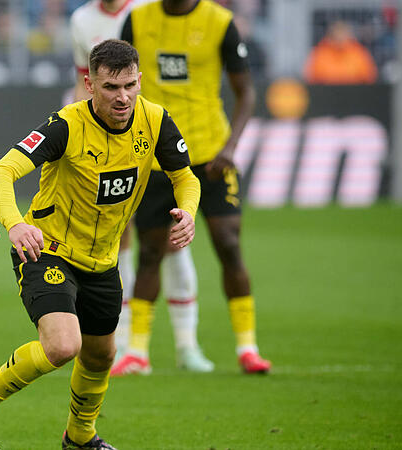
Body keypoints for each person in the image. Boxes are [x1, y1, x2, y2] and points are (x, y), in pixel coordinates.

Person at [0, 39, 201, 449]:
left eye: (130, 86)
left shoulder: (154, 120)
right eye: (111, 88)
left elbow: (184, 177)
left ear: (139, 81)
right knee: (65, 345)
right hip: (47, 250)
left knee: (102, 356)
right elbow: (5, 169)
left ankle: (81, 437)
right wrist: (14, 225)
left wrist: (187, 211)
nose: (123, 97)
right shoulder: (66, 125)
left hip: (102, 260)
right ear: (89, 83)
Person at [115, 0, 272, 375]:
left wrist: (231, 148)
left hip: (210, 155)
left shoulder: (220, 23)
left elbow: (246, 92)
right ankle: (137, 351)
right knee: (151, 252)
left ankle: (247, 347)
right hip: (155, 156)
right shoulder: (137, 20)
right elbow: (119, 87)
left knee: (229, 244)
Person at [71, 0, 214, 373]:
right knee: (115, 240)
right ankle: (125, 344)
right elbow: (80, 82)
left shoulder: (151, 12)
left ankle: (187, 346)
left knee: (171, 242)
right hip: (103, 142)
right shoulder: (82, 20)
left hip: (155, 136)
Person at [303, 20, 378, 85]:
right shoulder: (320, 53)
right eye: (337, 32)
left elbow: (369, 77)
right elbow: (312, 77)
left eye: (342, 32)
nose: (340, 36)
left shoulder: (359, 53)